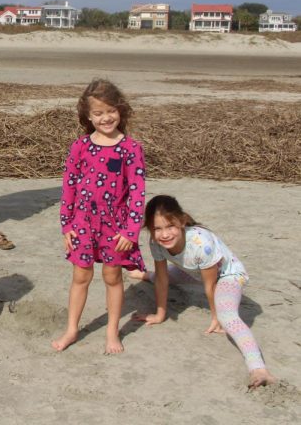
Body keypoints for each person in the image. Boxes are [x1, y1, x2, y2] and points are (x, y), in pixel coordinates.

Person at [130, 195, 277, 389]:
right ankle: (145, 275)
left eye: (170, 226)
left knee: (228, 315)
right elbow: (163, 277)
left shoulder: (201, 243)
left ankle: (258, 368)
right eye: (158, 228)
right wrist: (160, 314)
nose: (165, 234)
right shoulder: (155, 243)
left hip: (227, 276)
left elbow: (211, 284)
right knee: (159, 277)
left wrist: (217, 317)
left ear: (182, 221)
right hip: (194, 271)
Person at [51, 79, 146, 353]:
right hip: (82, 224)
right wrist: (66, 225)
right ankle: (72, 329)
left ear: (121, 111)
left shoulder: (131, 148)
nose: (106, 118)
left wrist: (131, 231)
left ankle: (112, 332)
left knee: (112, 277)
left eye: (111, 111)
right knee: (80, 277)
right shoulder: (80, 146)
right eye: (98, 113)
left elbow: (138, 193)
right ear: (88, 116)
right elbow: (69, 186)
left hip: (116, 227)